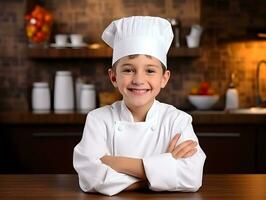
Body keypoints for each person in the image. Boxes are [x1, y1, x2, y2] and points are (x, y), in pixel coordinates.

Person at [73, 16, 206, 196]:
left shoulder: (177, 120)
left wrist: (116, 163)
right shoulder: (98, 119)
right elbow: (91, 179)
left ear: (164, 78)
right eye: (128, 70)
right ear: (113, 77)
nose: (139, 80)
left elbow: (192, 176)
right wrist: (163, 168)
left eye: (150, 70)